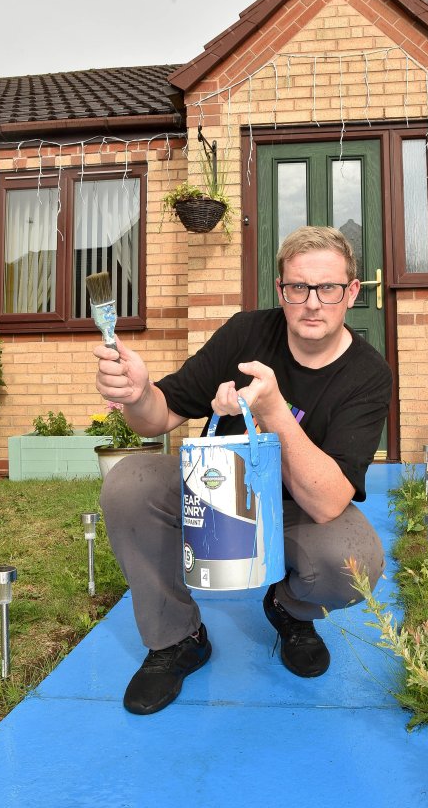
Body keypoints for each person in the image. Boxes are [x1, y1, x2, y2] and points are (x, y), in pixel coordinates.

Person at [94, 226, 393, 715]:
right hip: (219, 490)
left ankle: (289, 610)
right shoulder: (247, 333)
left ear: (352, 292)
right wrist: (137, 393)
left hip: (299, 508)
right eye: (298, 288)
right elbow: (161, 414)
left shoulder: (367, 374)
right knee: (129, 482)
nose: (313, 303)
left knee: (353, 560)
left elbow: (328, 501)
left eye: (329, 288)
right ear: (281, 291)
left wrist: (274, 410)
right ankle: (177, 637)